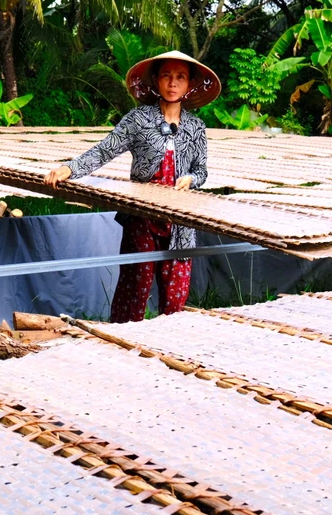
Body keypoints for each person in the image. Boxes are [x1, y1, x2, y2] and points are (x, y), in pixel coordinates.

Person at [43, 50, 220, 323]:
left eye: (180, 77)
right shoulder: (138, 120)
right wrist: (70, 168)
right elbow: (105, 150)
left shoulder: (196, 127)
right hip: (142, 218)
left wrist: (191, 180)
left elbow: (201, 171)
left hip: (180, 223)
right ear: (155, 80)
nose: (173, 83)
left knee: (175, 298)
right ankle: (123, 346)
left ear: (189, 84)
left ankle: (168, 351)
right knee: (134, 289)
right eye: (166, 75)